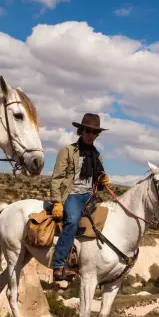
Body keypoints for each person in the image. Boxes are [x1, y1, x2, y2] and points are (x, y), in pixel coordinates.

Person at [48, 113, 111, 286]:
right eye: (88, 131)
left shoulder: (97, 156)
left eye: (95, 132)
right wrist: (57, 201)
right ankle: (59, 264)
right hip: (72, 194)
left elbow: (98, 177)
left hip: (90, 196)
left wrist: (103, 180)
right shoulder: (68, 151)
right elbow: (57, 178)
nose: (91, 135)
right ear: (81, 130)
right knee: (73, 221)